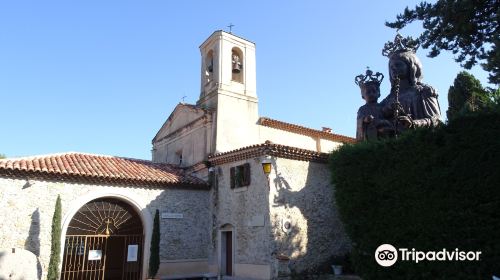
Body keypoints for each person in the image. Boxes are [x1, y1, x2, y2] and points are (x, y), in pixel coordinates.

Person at [380, 42, 442, 130]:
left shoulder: (423, 92)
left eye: (398, 64)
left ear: (412, 66)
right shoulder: (387, 101)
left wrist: (414, 124)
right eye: (391, 67)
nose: (393, 68)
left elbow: (436, 120)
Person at [355, 70, 394, 141]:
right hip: (370, 134)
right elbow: (359, 121)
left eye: (374, 91)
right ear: (363, 95)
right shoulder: (362, 109)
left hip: (384, 133)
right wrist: (365, 119)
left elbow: (388, 115)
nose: (371, 94)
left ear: (378, 93)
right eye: (368, 92)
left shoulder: (382, 106)